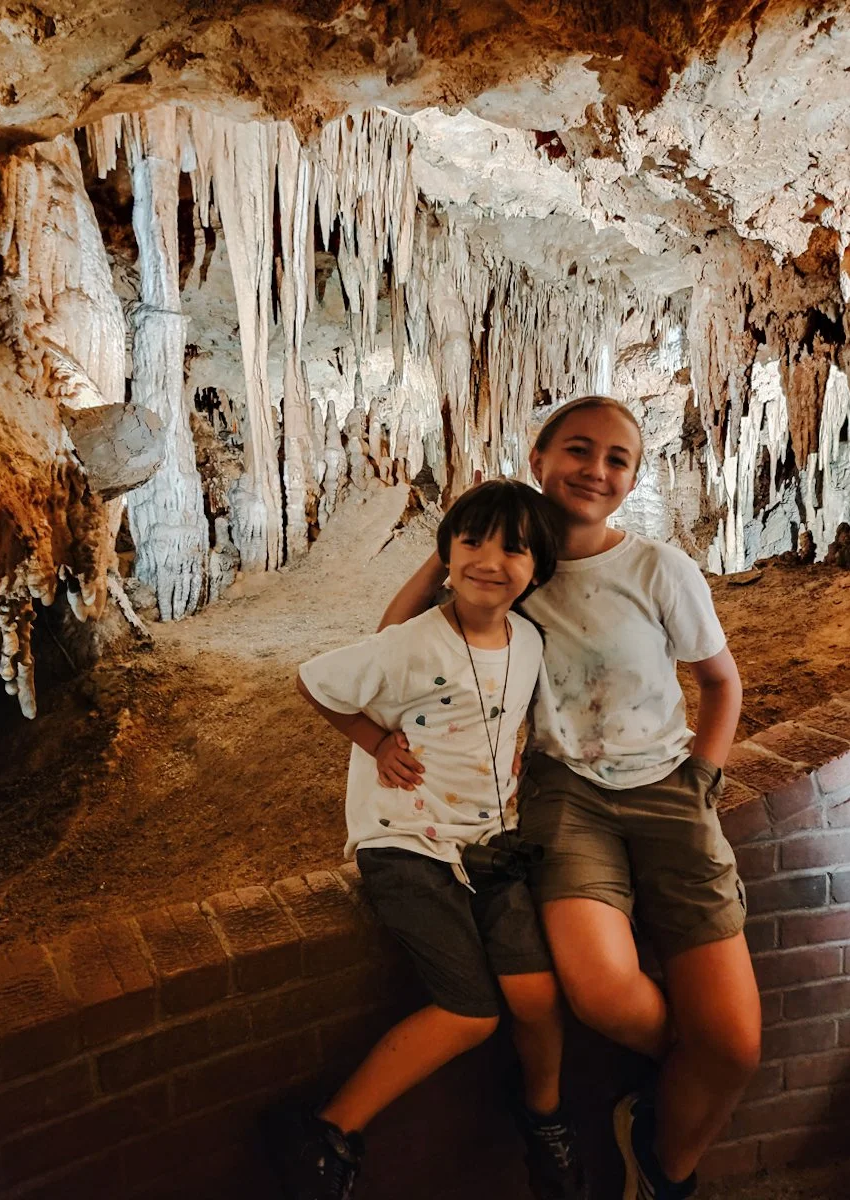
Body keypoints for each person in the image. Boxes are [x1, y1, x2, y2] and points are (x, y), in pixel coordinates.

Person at [379, 396, 761, 1200]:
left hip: (669, 791)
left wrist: (700, 779)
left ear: (632, 476)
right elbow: (398, 632)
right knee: (602, 994)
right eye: (578, 451)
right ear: (538, 456)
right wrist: (459, 531)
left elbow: (720, 683)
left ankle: (661, 1166)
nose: (595, 470)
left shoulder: (658, 568)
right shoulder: (509, 572)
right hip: (564, 796)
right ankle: (677, 1078)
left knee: (734, 1048)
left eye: (616, 459)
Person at [274, 479, 584, 1200]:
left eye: (514, 548)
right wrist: (376, 740)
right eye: (471, 541)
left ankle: (543, 1117)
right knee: (470, 1012)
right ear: (445, 552)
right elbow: (316, 682)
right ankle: (328, 1134)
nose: (490, 559)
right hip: (407, 842)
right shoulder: (414, 642)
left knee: (536, 995)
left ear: (537, 570)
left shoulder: (529, 641)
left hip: (490, 844)